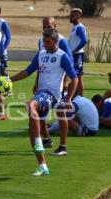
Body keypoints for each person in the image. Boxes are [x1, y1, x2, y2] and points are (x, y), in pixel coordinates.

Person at [10, 28, 78, 175]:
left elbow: (75, 78)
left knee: (30, 105)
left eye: (48, 42)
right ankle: (42, 165)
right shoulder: (40, 54)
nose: (45, 44)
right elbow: (27, 71)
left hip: (52, 95)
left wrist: (69, 98)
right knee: (32, 131)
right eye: (44, 42)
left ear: (56, 42)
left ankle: (42, 140)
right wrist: (10, 80)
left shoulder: (62, 56)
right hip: (42, 94)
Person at [35, 16, 74, 147]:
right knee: (42, 111)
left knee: (60, 113)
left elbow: (69, 62)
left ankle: (63, 145)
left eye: (49, 26)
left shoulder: (61, 41)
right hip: (44, 85)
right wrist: (36, 82)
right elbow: (41, 64)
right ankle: (46, 139)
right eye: (44, 26)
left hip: (59, 84)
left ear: (55, 26)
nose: (46, 28)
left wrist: (65, 80)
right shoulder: (41, 41)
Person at [68, 8, 88, 96]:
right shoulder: (75, 27)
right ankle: (75, 96)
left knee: (79, 77)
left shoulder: (79, 27)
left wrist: (74, 51)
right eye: (70, 15)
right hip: (74, 55)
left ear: (79, 16)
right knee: (74, 76)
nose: (70, 17)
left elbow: (84, 40)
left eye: (73, 15)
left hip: (78, 55)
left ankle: (81, 98)